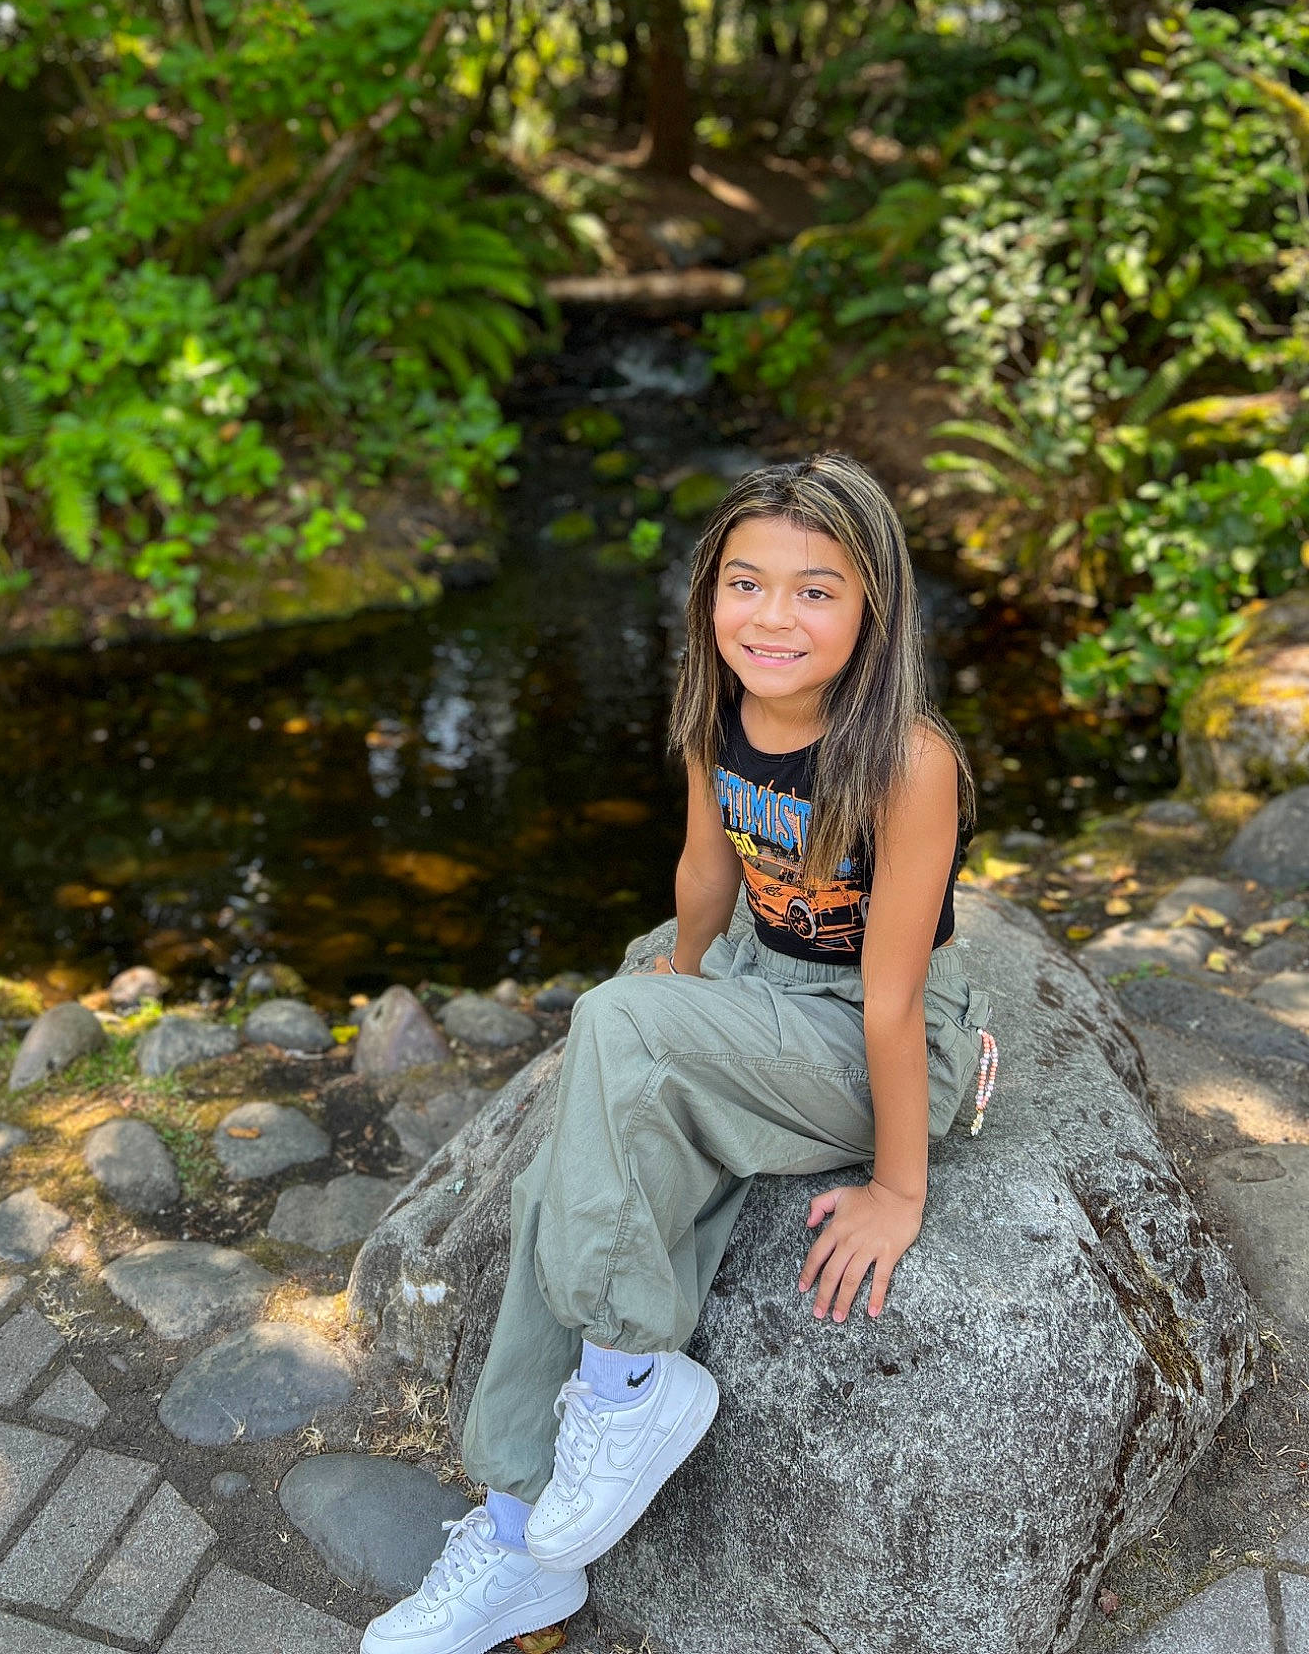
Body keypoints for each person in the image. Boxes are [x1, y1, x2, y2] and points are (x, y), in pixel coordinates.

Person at [360, 452, 1000, 1654]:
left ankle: (630, 1383)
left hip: (860, 1027)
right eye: (745, 582)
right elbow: (710, 867)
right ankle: (512, 1533)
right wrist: (688, 965)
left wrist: (901, 1187)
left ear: (874, 607)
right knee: (569, 1178)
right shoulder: (722, 709)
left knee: (614, 1025)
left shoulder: (909, 761)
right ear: (709, 592)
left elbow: (895, 995)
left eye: (816, 589)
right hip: (756, 977)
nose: (772, 616)